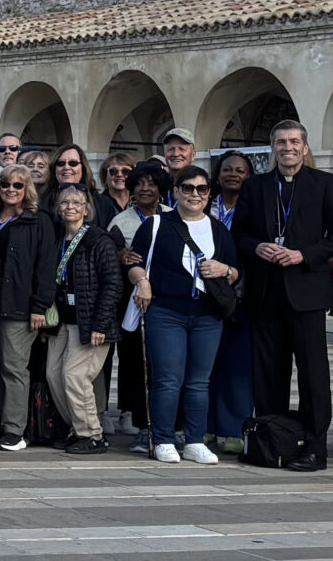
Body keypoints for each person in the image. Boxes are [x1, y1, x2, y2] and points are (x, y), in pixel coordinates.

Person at [232, 120, 333, 471]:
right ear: (272, 148)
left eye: (295, 141)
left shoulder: (323, 184)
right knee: (268, 374)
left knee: (313, 376)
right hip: (266, 294)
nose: (288, 147)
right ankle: (270, 441)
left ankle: (315, 448)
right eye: (281, 142)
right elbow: (239, 235)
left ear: (305, 148)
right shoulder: (255, 186)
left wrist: (302, 255)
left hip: (306, 292)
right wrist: (257, 247)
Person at [126, 162, 241, 465]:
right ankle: (163, 438)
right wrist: (142, 281)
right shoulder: (156, 225)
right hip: (166, 311)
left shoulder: (219, 229)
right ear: (175, 191)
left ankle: (194, 439)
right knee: (167, 378)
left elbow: (235, 271)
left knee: (199, 381)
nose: (194, 194)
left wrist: (224, 269)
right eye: (187, 188)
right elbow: (133, 263)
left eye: (201, 189)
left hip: (207, 315)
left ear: (208, 194)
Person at [42, 182, 123, 454]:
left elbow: (112, 284)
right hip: (63, 320)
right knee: (54, 375)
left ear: (87, 210)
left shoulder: (98, 239)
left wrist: (101, 323)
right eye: (65, 203)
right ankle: (76, 428)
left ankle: (93, 434)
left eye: (77, 203)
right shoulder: (57, 238)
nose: (70, 207)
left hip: (91, 322)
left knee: (74, 375)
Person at [0, 162, 52, 451]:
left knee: (14, 366)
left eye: (17, 185)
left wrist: (40, 306)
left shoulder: (39, 221)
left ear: (27, 190)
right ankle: (2, 422)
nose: (10, 190)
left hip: (21, 302)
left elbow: (47, 266)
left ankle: (16, 429)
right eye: (5, 185)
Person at [107, 160, 167, 449]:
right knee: (133, 361)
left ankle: (167, 423)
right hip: (131, 300)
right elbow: (110, 255)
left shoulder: (173, 216)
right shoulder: (121, 221)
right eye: (140, 184)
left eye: (151, 184)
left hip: (167, 300)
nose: (145, 189)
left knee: (163, 365)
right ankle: (138, 417)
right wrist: (120, 255)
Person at [205, 150, 256, 452]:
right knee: (207, 365)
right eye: (227, 169)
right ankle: (207, 426)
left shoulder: (254, 209)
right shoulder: (206, 205)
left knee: (238, 366)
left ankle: (235, 429)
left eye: (240, 170)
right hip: (207, 294)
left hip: (241, 293)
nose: (233, 174)